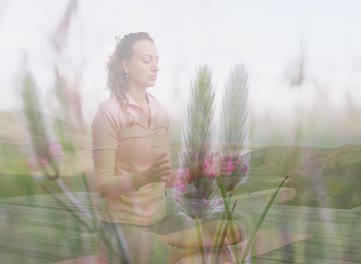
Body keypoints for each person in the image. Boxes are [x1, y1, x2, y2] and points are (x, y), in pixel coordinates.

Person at [92, 32, 251, 263]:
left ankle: (173, 243)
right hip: (121, 227)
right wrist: (146, 176)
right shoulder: (108, 113)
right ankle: (174, 246)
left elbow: (165, 179)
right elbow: (103, 185)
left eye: (157, 60)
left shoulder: (159, 112)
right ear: (125, 65)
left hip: (164, 222)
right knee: (168, 253)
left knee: (234, 231)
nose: (155, 67)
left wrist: (201, 171)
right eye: (147, 61)